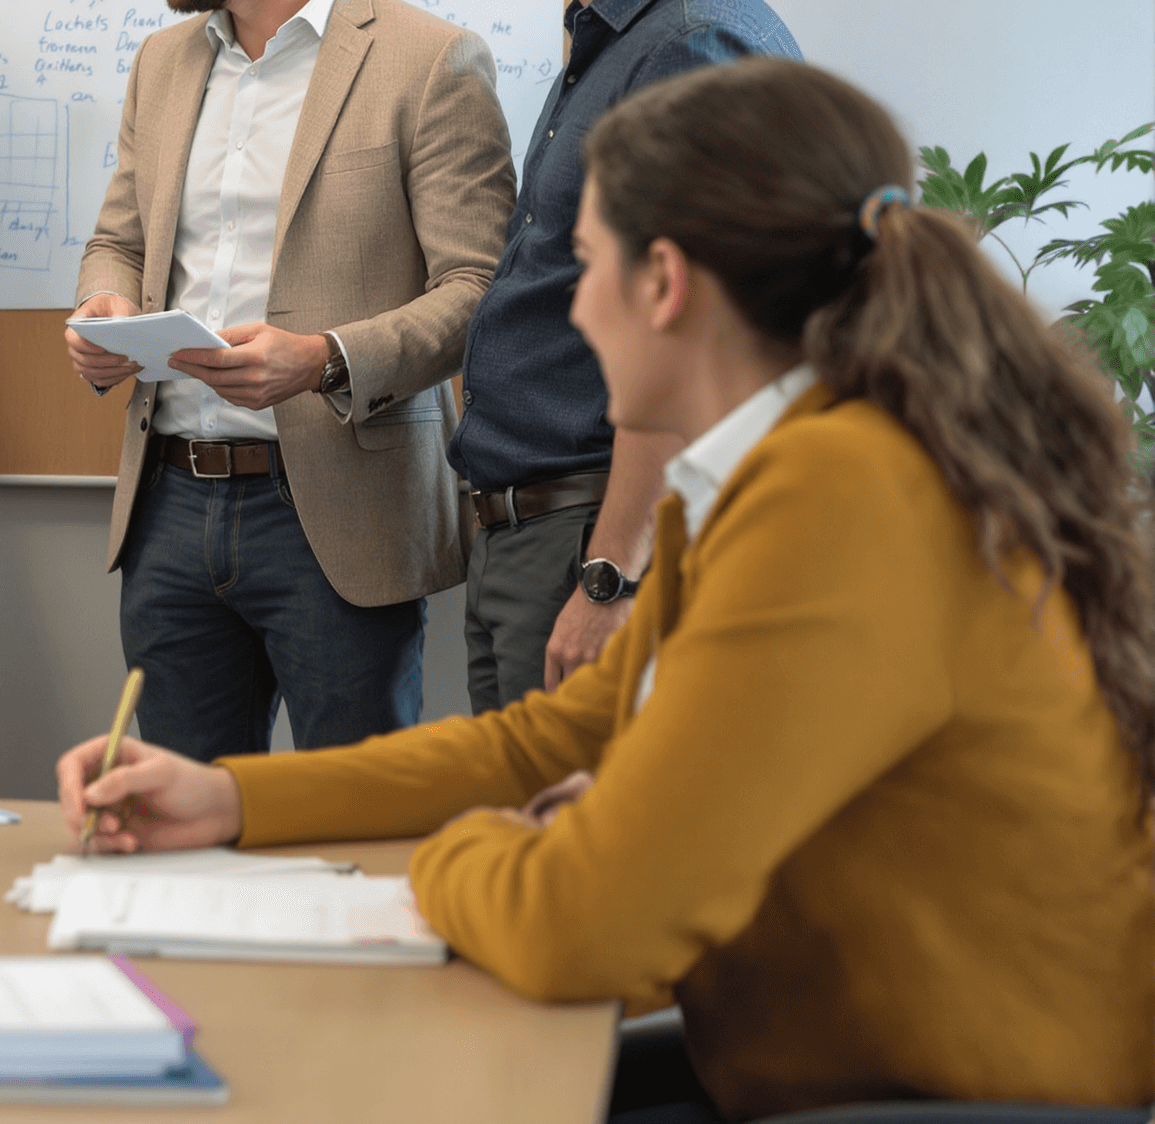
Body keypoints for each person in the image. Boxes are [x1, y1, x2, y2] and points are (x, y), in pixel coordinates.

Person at [57, 59, 1155, 1122]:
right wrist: (237, 801)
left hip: (941, 1091)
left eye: (583, 268)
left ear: (666, 283)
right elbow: (562, 741)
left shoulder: (843, 491)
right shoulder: (746, 480)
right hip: (830, 1058)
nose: (572, 316)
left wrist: (472, 851)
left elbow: (582, 919)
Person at [66, 0, 516, 758]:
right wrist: (104, 303)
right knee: (174, 813)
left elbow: (479, 289)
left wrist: (324, 358)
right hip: (170, 506)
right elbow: (119, 240)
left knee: (346, 829)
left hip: (335, 520)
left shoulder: (430, 63)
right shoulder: (161, 63)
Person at [449, 0, 800, 712]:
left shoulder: (693, 48)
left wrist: (612, 575)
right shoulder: (614, 38)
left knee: (561, 854)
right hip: (527, 540)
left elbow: (694, 347)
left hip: (588, 541)